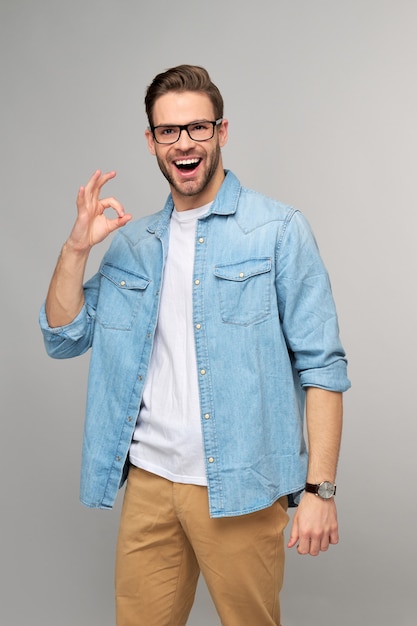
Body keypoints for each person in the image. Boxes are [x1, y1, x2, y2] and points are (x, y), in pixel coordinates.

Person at [39, 64, 350, 626]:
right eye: (168, 131)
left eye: (198, 128)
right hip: (151, 485)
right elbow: (64, 337)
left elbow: (322, 366)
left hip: (241, 485)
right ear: (152, 141)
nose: (184, 143)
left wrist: (319, 491)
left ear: (221, 132)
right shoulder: (132, 244)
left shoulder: (278, 230)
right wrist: (75, 249)